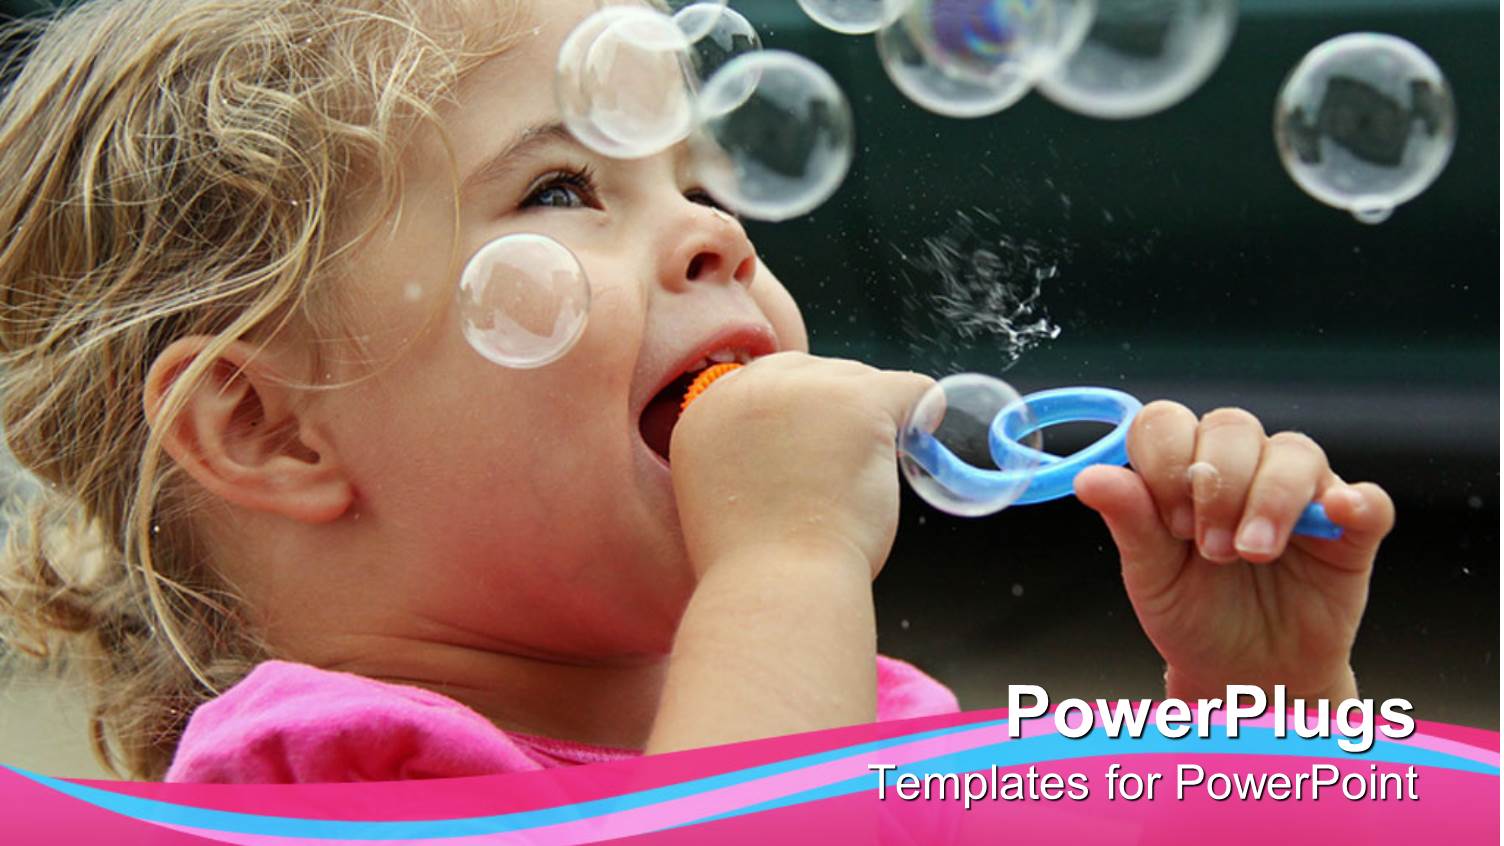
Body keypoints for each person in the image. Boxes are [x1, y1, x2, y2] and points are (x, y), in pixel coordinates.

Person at [0, 0, 1394, 783]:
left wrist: (1256, 714)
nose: (715, 235)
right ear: (267, 425)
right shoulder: (326, 778)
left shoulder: (858, 704)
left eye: (702, 182)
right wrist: (784, 567)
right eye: (562, 186)